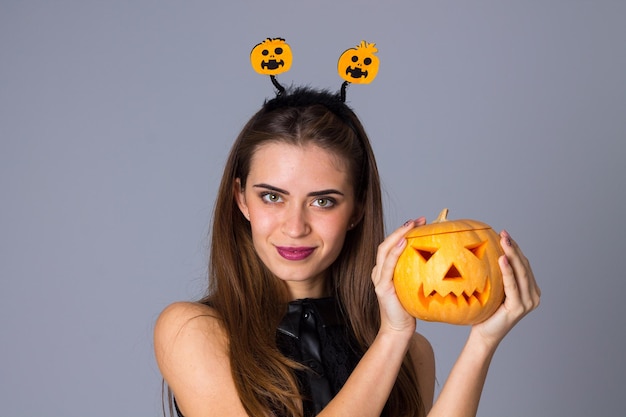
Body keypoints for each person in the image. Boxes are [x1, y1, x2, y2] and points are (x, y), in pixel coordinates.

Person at [153, 86, 541, 417]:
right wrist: (391, 337)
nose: (294, 226)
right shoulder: (192, 330)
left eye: (323, 202)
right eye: (272, 197)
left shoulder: (410, 351)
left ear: (357, 210)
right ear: (241, 199)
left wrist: (483, 341)